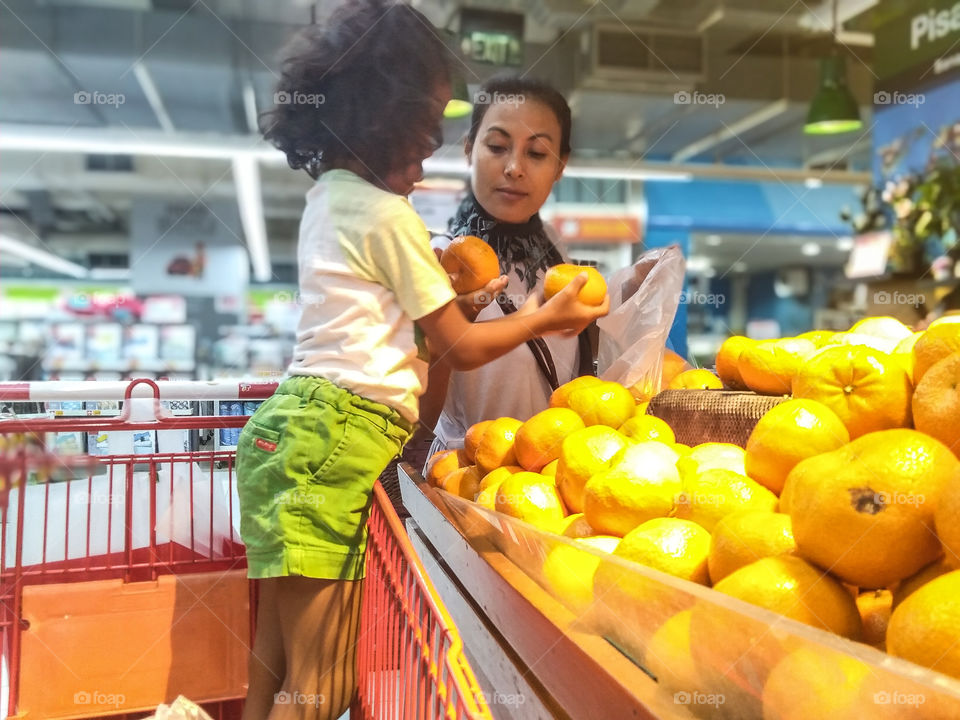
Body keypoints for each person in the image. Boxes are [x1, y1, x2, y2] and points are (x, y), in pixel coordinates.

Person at [234, 5, 609, 719]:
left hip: (292, 432)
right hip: (341, 437)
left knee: (276, 665)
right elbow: (460, 349)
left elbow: (401, 331)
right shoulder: (395, 219)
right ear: (388, 122)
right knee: (325, 686)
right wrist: (545, 317)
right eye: (426, 128)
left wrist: (452, 309)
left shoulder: (329, 197)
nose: (429, 150)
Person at [424, 75, 594, 450]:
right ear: (469, 150)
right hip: (465, 474)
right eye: (497, 146)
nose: (515, 167)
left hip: (556, 470)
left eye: (537, 153)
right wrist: (442, 345)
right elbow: (418, 421)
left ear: (561, 165)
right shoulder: (439, 263)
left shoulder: (555, 251)